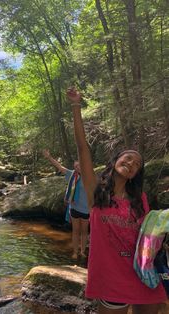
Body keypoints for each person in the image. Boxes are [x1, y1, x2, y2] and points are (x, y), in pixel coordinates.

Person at [66, 86, 167, 314]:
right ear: (116, 160)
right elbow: (83, 149)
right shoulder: (96, 192)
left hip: (144, 272)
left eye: (137, 165)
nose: (131, 163)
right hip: (112, 276)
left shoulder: (139, 198)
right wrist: (75, 106)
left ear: (135, 175)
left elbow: (148, 234)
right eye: (128, 158)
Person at [43, 149, 89, 259]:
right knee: (75, 231)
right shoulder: (72, 175)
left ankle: (82, 251)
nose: (77, 168)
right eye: (75, 166)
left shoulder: (89, 177)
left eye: (79, 166)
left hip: (86, 209)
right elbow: (59, 166)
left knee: (84, 232)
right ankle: (75, 252)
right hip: (74, 208)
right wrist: (49, 157)